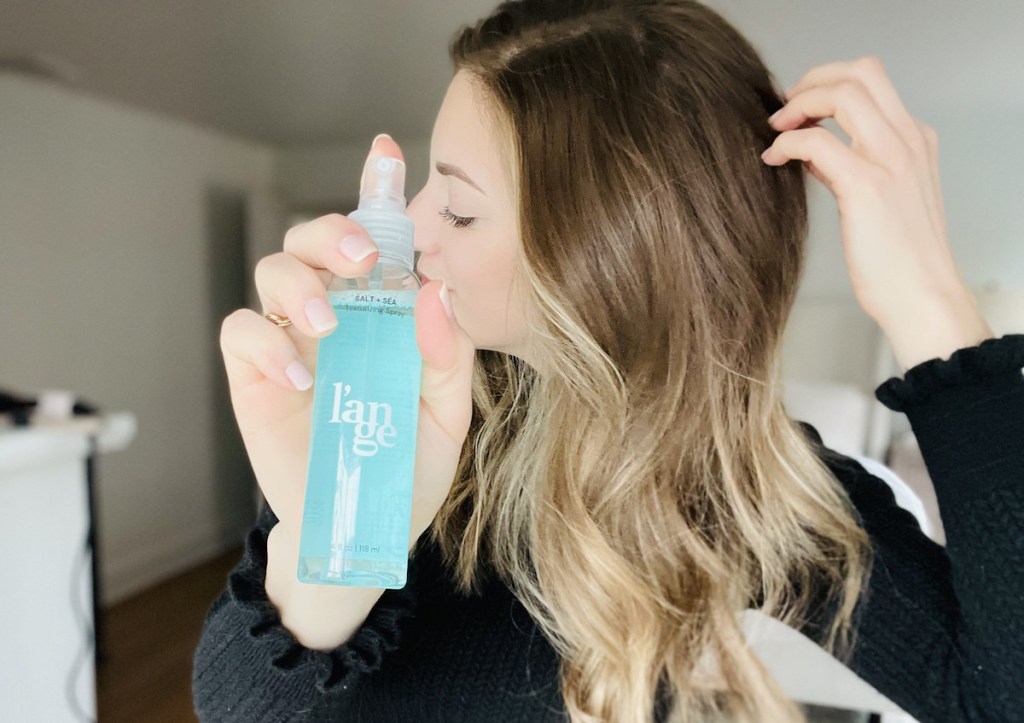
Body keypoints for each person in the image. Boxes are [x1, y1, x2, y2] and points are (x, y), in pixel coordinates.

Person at [192, 1, 1023, 721]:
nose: (413, 224)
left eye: (458, 206)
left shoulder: (735, 490)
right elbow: (225, 701)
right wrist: (328, 547)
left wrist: (935, 308)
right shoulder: (384, 402)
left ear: (604, 262)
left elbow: (1000, 695)